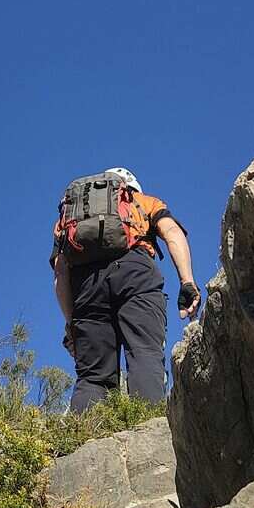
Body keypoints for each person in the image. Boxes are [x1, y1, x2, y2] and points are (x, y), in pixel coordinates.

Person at [52, 168, 202, 412]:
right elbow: (172, 233)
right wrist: (187, 282)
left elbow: (60, 272)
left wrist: (72, 325)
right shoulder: (144, 202)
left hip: (86, 285)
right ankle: (147, 429)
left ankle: (86, 437)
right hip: (136, 273)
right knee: (144, 352)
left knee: (93, 376)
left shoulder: (70, 216)